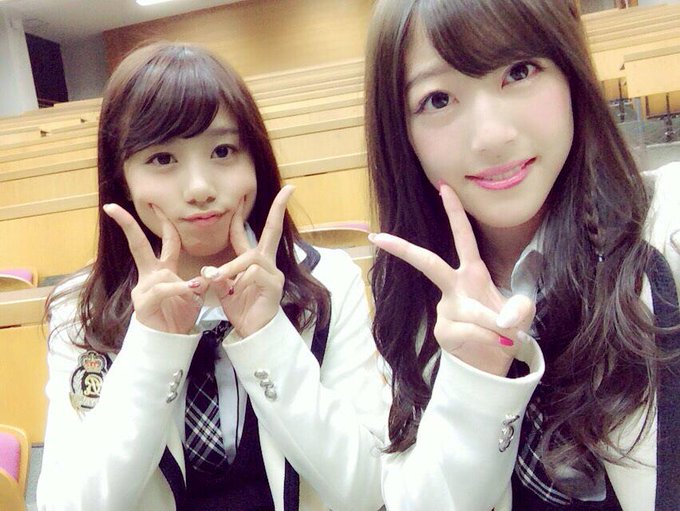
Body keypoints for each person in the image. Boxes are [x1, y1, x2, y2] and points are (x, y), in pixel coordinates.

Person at [37, 42, 387, 511]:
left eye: (223, 151)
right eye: (162, 158)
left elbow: (367, 491)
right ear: (122, 177)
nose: (200, 188)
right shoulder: (80, 309)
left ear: (255, 161)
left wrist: (267, 337)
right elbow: (72, 504)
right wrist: (152, 347)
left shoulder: (328, 282)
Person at [363, 1, 680, 510]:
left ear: (570, 72)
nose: (492, 137)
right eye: (438, 99)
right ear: (401, 134)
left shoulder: (664, 238)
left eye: (519, 71)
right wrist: (475, 381)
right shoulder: (414, 292)